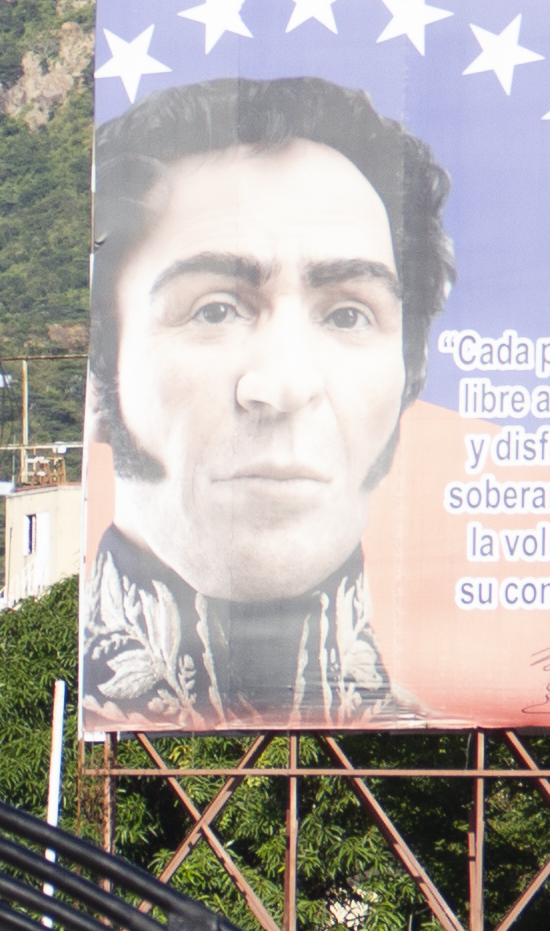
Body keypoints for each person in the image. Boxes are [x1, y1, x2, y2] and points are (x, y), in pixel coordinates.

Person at [82, 71, 447, 727]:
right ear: (100, 369)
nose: (283, 386)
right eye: (216, 309)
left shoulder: (443, 745)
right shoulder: (45, 723)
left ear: (410, 373)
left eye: (346, 316)